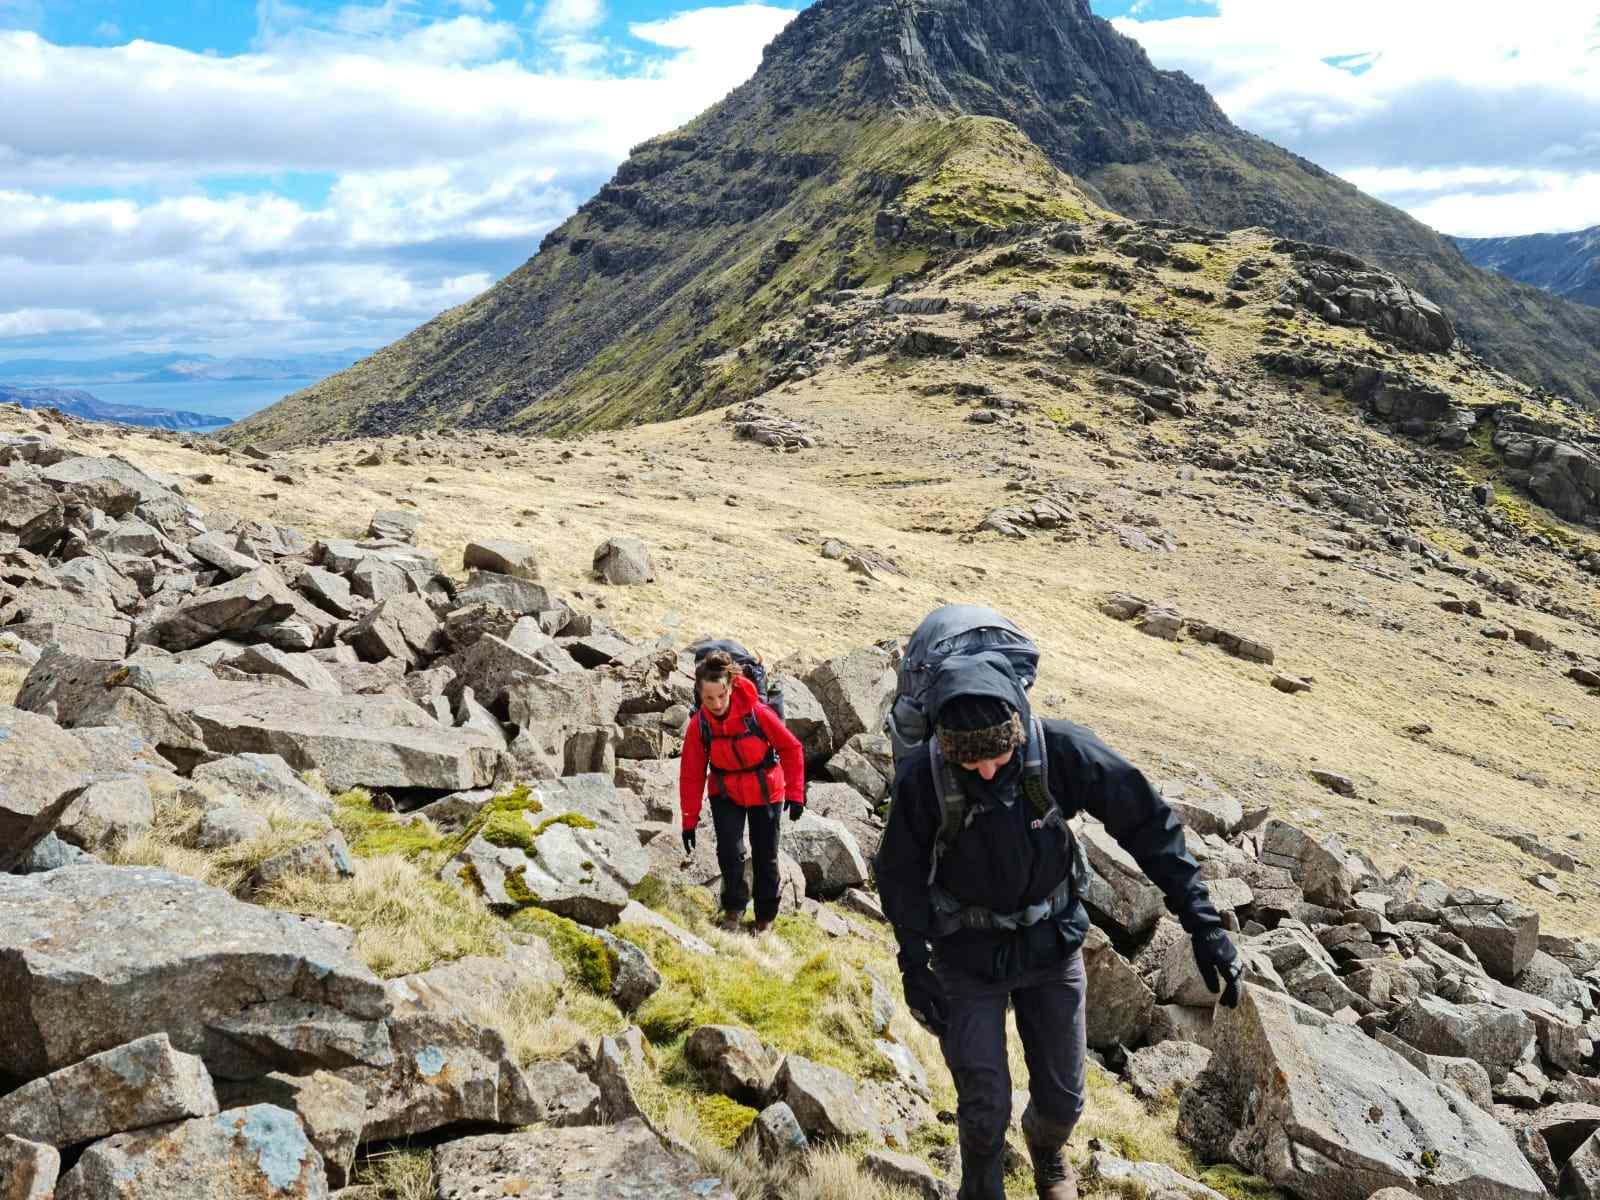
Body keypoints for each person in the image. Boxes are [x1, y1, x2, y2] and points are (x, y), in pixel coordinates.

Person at [876, 653, 1242, 1200]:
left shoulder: (1060, 753)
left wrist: (1203, 924)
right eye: (968, 763)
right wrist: (913, 963)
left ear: (1017, 732)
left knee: (1065, 1098)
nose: (986, 772)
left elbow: (1147, 823)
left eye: (997, 755)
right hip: (965, 955)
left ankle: (1046, 1150)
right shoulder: (923, 778)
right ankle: (981, 1180)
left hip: (1052, 947)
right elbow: (899, 874)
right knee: (982, 1105)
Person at [679, 649, 806, 932]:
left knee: (766, 856)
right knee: (729, 852)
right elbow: (691, 773)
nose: (716, 703)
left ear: (731, 686)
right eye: (709, 698)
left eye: (721, 695)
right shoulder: (699, 724)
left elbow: (791, 748)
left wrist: (796, 793)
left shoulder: (757, 713)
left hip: (766, 790)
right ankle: (733, 910)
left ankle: (764, 919)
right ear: (700, 694)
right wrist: (689, 819)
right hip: (726, 791)